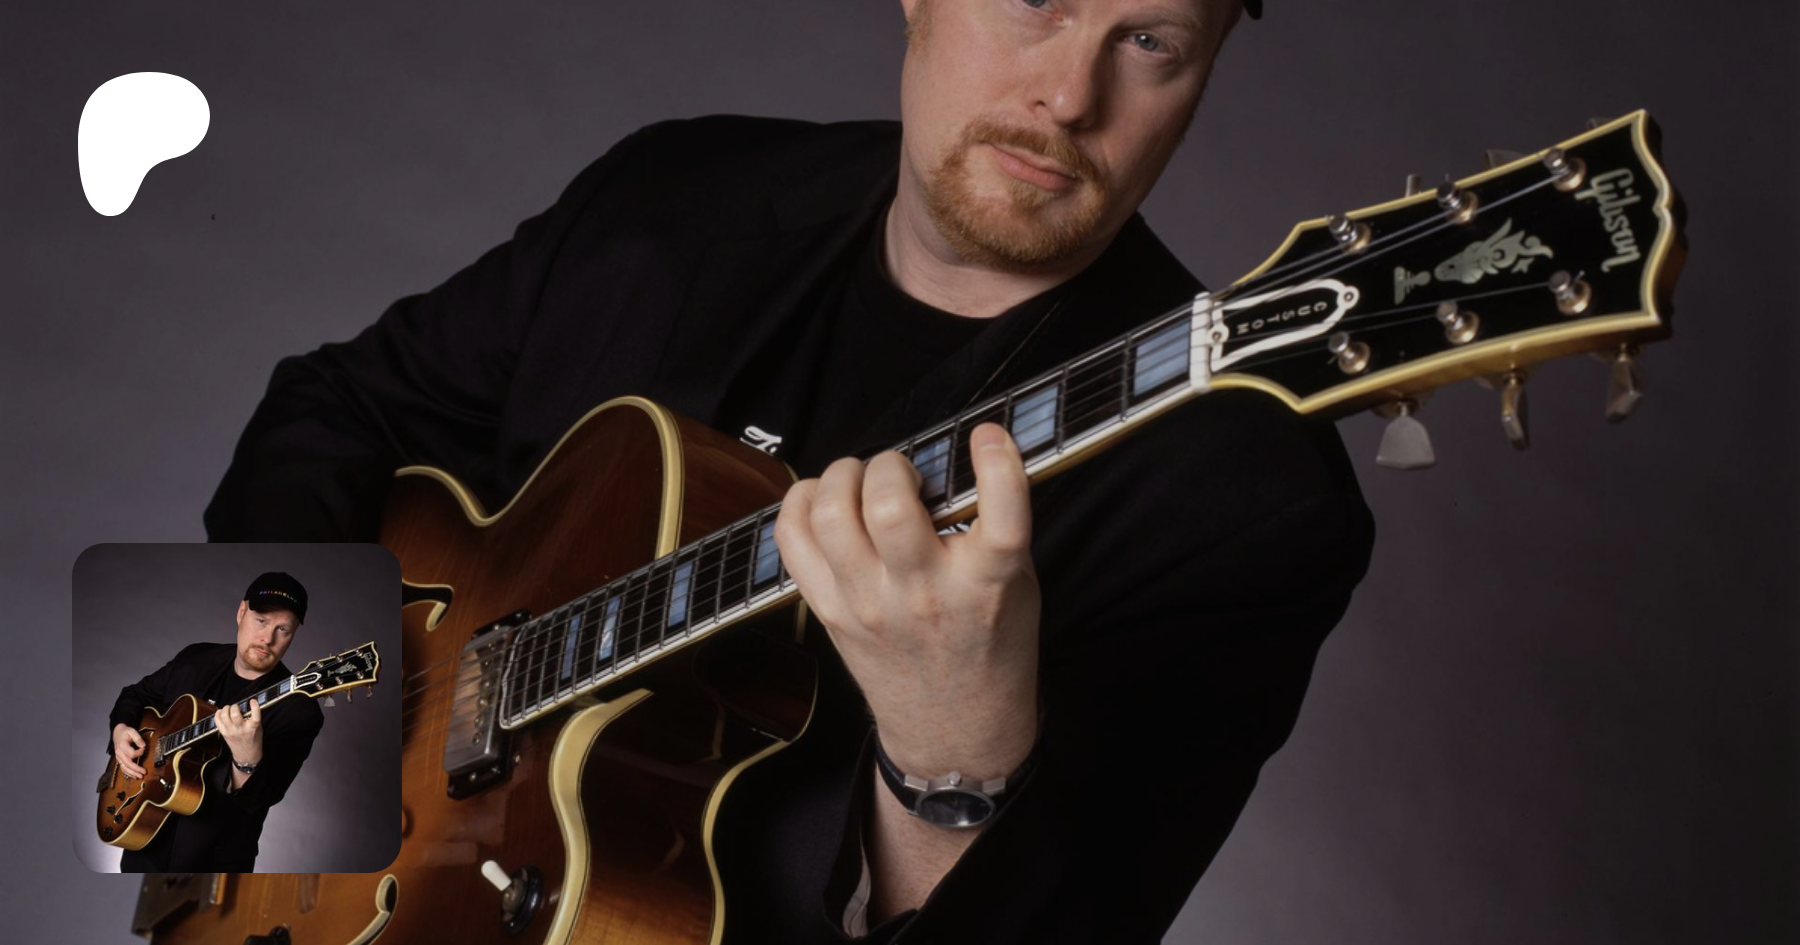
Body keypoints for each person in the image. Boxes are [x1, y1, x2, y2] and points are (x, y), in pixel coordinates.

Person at [206, 0, 1373, 940]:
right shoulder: (673, 197)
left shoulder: (1244, 494)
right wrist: (296, 715)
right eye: (1034, 1)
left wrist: (954, 765)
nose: (1070, 96)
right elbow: (333, 411)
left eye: (1152, 39)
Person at [108, 572, 325, 872]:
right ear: (241, 612)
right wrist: (120, 730)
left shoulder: (299, 710)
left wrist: (247, 760)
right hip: (142, 839)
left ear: (294, 634)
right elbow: (134, 696)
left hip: (213, 863)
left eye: (283, 629)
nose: (268, 638)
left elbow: (264, 797)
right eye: (261, 620)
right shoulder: (195, 658)